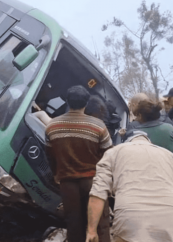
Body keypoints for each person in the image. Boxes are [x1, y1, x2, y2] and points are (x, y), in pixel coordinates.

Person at [86, 130, 173, 242]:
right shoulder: (171, 156)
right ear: (149, 141)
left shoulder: (113, 152)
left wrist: (91, 230)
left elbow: (98, 192)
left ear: (126, 141)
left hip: (132, 220)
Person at [45, 85, 112, 242]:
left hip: (67, 184)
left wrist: (56, 174)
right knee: (100, 225)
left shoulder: (52, 126)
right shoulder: (98, 126)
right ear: (86, 103)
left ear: (67, 101)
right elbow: (108, 155)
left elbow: (50, 155)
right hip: (94, 183)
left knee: (74, 226)